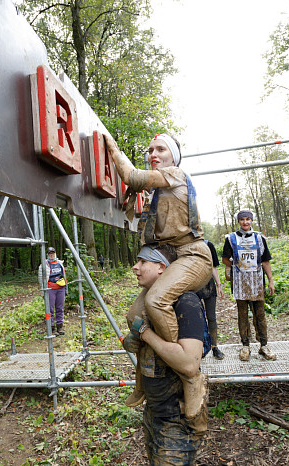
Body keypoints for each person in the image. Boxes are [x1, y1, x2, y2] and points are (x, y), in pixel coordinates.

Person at [106, 133, 211, 418]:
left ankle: (191, 376)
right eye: (150, 149)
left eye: (161, 149)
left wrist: (112, 147)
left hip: (193, 255)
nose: (154, 153)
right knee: (133, 317)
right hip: (173, 259)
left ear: (173, 156)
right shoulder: (157, 192)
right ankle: (142, 379)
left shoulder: (174, 174)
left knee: (155, 301)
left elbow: (131, 176)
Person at [122, 244, 207, 464]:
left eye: (142, 262)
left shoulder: (185, 303)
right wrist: (132, 342)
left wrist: (145, 334)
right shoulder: (148, 302)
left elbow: (189, 364)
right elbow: (143, 345)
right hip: (153, 412)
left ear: (161, 267)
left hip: (176, 420)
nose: (135, 267)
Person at [222, 210, 276, 362]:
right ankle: (245, 345)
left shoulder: (259, 238)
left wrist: (271, 280)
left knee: (260, 314)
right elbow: (225, 259)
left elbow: (265, 261)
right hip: (239, 282)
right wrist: (236, 263)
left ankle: (264, 345)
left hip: (257, 281)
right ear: (238, 221)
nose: (245, 222)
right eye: (242, 220)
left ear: (252, 220)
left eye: (248, 219)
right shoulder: (231, 238)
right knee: (242, 314)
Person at [197, 239, 224, 360]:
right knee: (196, 318)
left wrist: (219, 285)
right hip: (192, 286)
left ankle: (214, 347)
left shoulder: (208, 244)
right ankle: (198, 348)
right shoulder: (185, 246)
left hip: (208, 285)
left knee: (211, 317)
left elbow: (213, 267)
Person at [37, 247, 68, 336]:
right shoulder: (44, 265)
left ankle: (59, 326)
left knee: (60, 308)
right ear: (47, 254)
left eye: (53, 253)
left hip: (60, 289)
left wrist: (66, 288)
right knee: (50, 309)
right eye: (50, 253)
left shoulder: (60, 263)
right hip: (50, 290)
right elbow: (41, 279)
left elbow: (64, 276)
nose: (51, 255)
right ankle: (51, 328)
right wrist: (43, 291)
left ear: (55, 253)